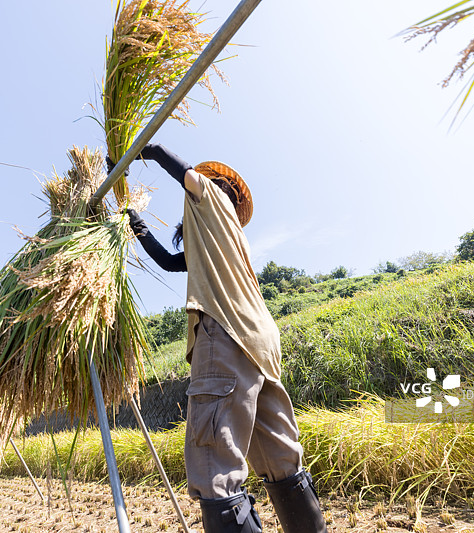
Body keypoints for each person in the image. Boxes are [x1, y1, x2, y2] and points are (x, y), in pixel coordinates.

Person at [110, 143, 327, 533]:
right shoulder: (218, 240)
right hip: (261, 340)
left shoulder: (213, 198)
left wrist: (140, 153)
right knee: (280, 458)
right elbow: (167, 260)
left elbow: (185, 172)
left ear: (220, 188)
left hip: (225, 332)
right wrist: (134, 220)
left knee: (215, 466)